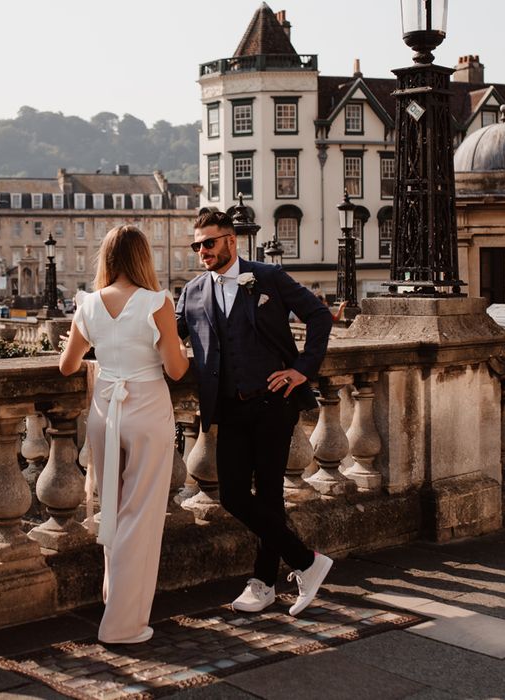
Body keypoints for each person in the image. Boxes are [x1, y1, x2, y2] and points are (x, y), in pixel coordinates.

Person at [175, 211, 334, 616]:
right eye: (196, 246)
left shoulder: (268, 277)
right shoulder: (192, 292)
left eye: (208, 243)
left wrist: (302, 369)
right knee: (231, 494)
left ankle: (263, 584)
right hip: (227, 408)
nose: (202, 252)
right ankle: (306, 562)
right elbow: (166, 336)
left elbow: (318, 315)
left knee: (268, 496)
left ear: (231, 241)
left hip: (272, 405)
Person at [59, 225, 188, 644]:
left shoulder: (88, 304)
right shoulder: (157, 302)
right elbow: (176, 370)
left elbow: (67, 365)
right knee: (141, 516)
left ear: (107, 258)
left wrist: (99, 349)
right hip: (147, 409)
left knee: (111, 509)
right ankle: (123, 624)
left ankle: (115, 603)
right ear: (142, 258)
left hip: (104, 410)